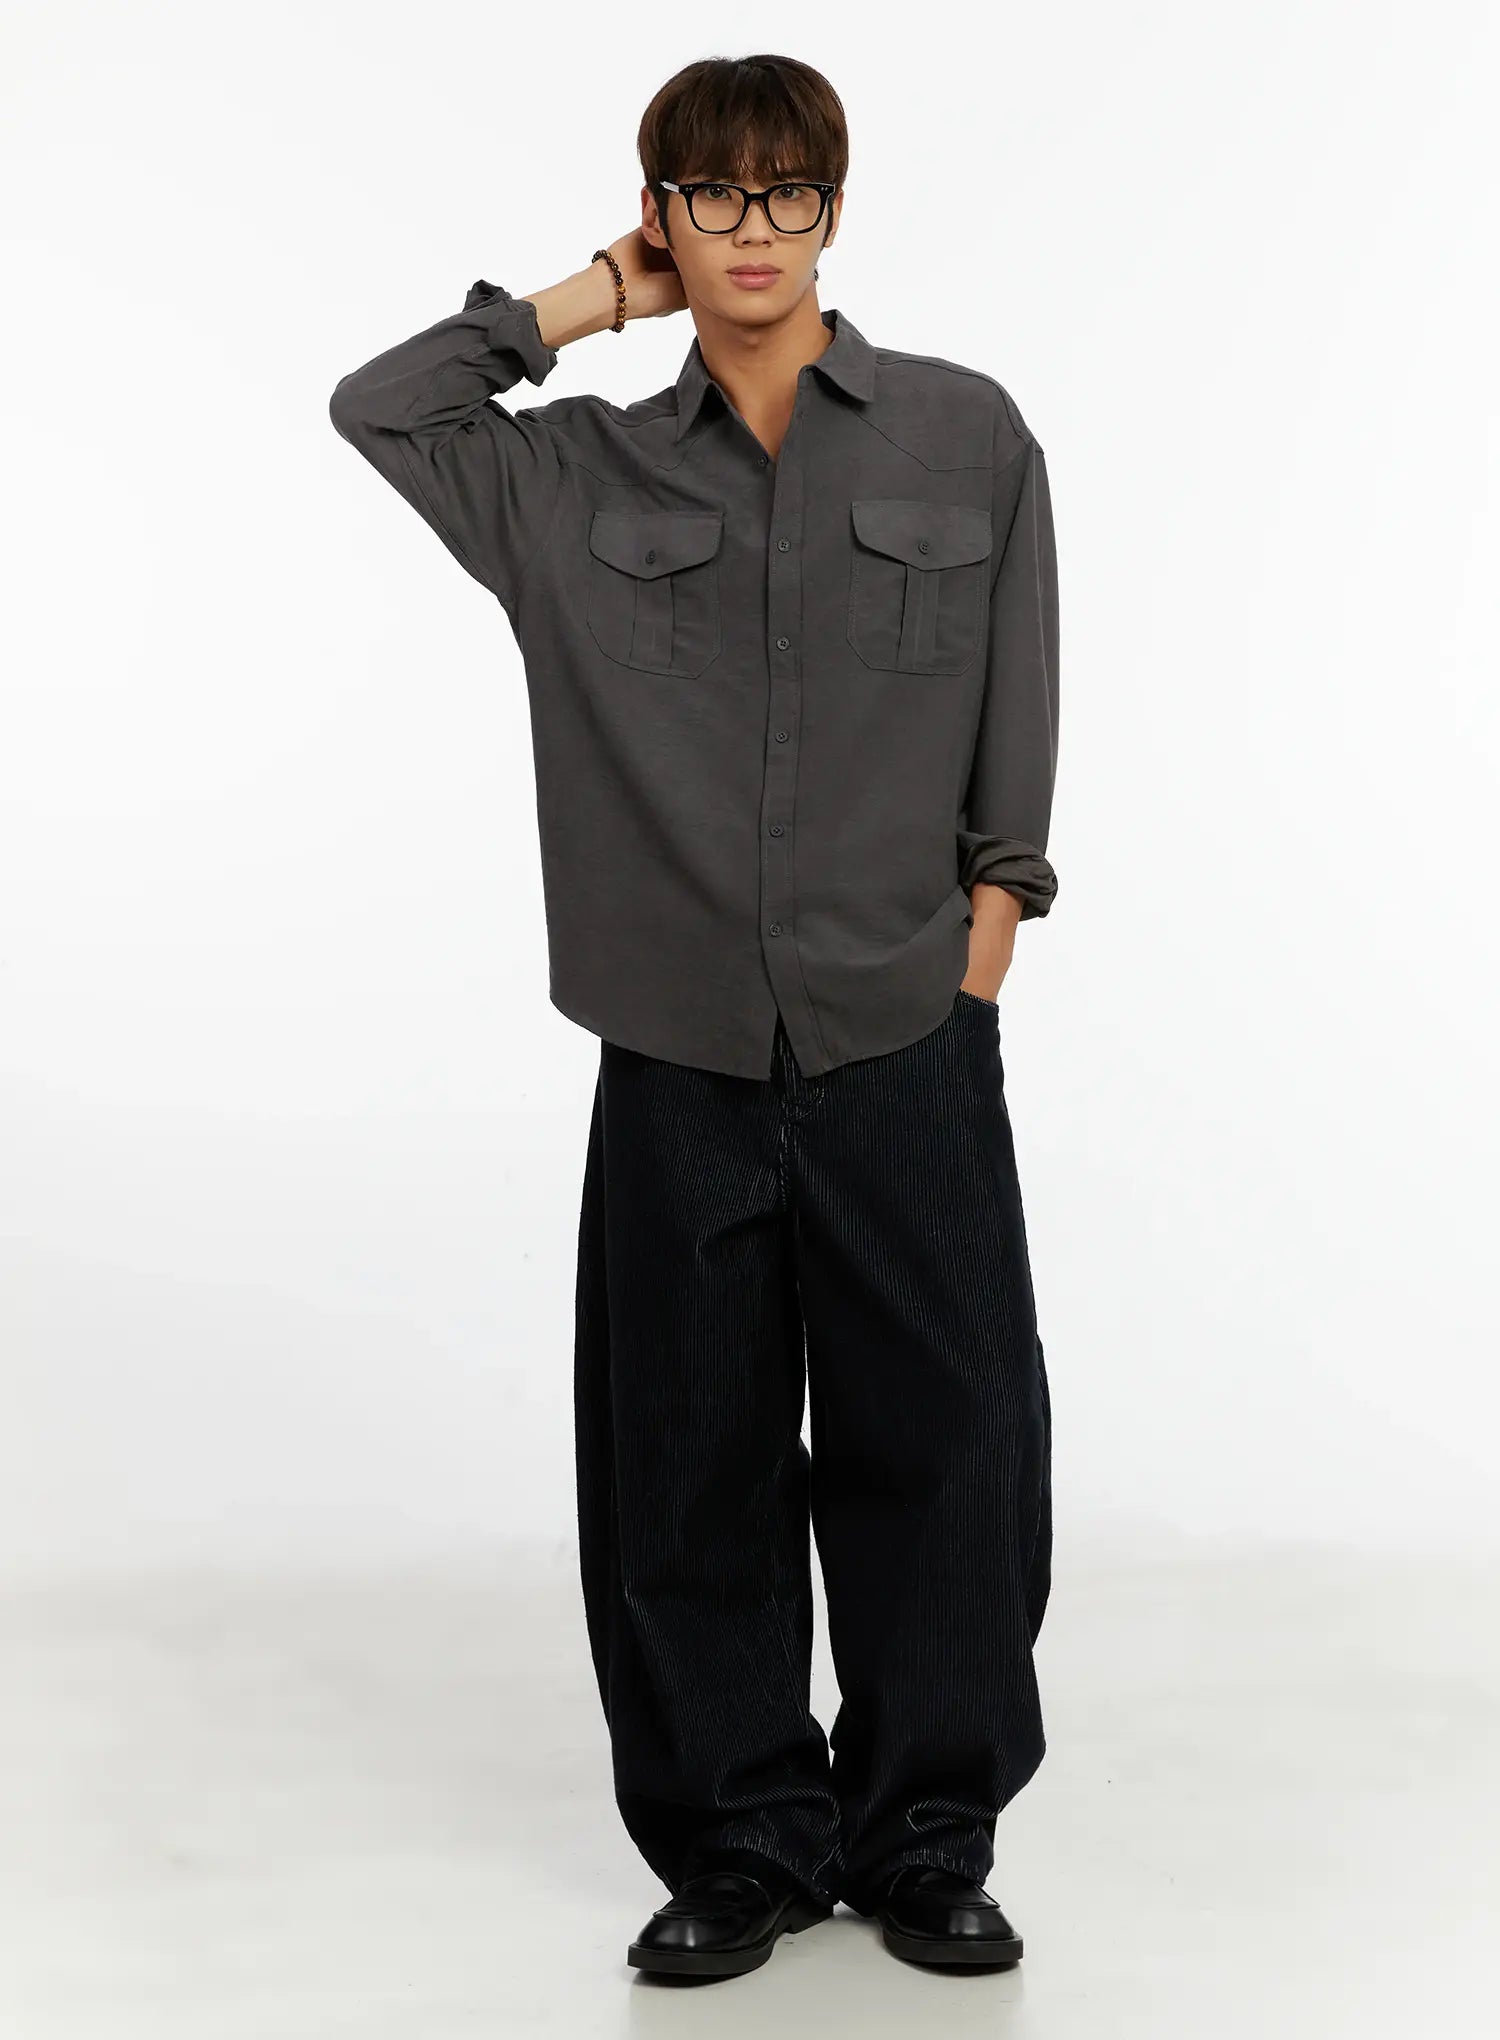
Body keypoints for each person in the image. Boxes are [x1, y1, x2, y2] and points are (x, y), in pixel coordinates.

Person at [329, 51, 1058, 1982]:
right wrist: (587, 300)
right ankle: (742, 1842)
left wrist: (982, 949)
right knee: (684, 1459)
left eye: (786, 193)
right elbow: (382, 403)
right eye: (712, 196)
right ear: (661, 210)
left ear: (836, 210)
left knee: (954, 1447)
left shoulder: (967, 435)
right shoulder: (571, 475)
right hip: (674, 1048)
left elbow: (1016, 723)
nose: (754, 231)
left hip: (905, 1028)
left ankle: (927, 1835)